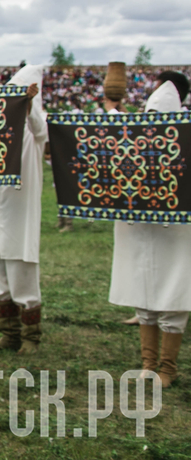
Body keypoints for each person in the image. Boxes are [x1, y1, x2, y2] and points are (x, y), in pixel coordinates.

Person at [109, 75, 191, 388]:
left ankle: (167, 368)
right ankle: (148, 363)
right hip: (140, 226)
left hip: (177, 231)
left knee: (174, 295)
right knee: (142, 293)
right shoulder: (133, 137)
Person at [0, 64, 45, 355]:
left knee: (22, 270)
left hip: (20, 208)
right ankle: (8, 333)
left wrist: (29, 106)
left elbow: (41, 130)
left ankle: (30, 336)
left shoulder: (35, 128)